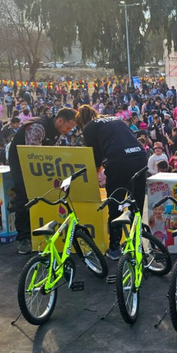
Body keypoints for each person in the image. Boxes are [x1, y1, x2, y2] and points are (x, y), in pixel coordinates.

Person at [75, 105, 148, 261]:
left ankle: (114, 246)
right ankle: (137, 241)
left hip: (120, 161)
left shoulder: (89, 127)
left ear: (81, 121)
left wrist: (96, 176)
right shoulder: (116, 118)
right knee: (137, 202)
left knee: (115, 202)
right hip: (140, 156)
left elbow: (94, 157)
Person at [8, 107, 78, 254]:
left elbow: (53, 152)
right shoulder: (37, 127)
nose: (68, 131)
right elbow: (33, 155)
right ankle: (24, 238)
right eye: (68, 127)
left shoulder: (57, 131)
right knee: (24, 196)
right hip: (22, 163)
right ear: (60, 121)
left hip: (42, 164)